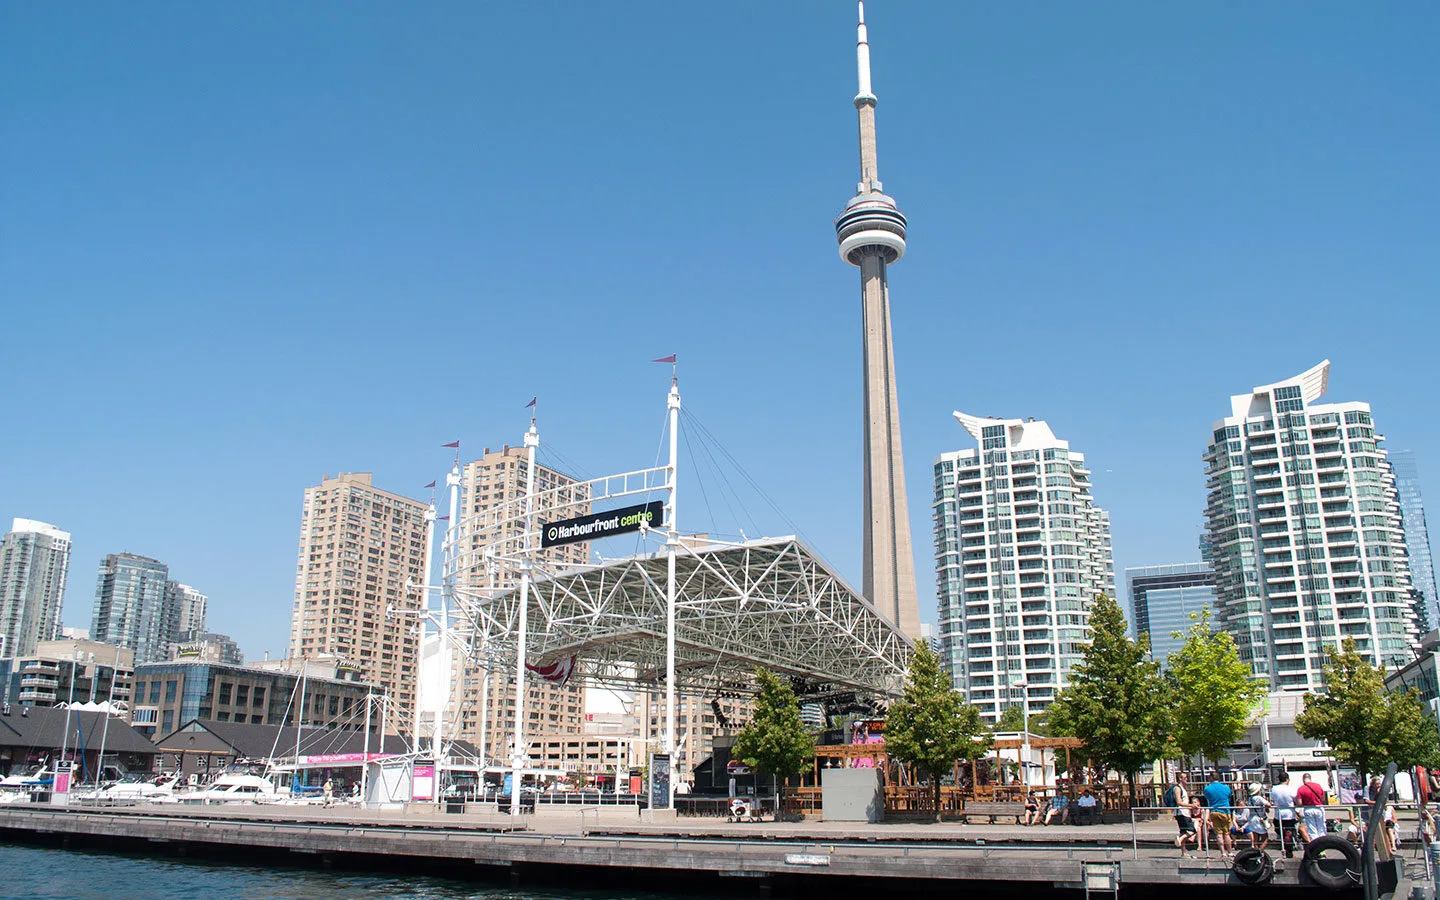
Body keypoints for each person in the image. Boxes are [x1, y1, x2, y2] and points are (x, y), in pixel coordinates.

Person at [1203, 776, 1235, 856]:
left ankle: (1223, 852)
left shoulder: (1207, 788)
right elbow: (1229, 796)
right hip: (1224, 811)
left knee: (1219, 834)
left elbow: (1207, 797)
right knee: (1226, 833)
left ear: (1210, 779)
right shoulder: (1226, 787)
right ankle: (1230, 852)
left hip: (1213, 811)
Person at [1271, 771, 1298, 857]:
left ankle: (1285, 849)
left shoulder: (1274, 788)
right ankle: (1289, 852)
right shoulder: (1291, 789)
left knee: (1281, 832)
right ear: (1287, 779)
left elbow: (1273, 800)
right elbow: (1296, 800)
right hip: (1289, 814)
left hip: (1278, 814)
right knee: (1289, 834)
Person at [1296, 773, 1328, 844]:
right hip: (1319, 808)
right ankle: (1323, 847)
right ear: (1310, 778)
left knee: (1312, 830)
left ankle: (1316, 847)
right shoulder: (1318, 786)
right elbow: (1323, 799)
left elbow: (1299, 803)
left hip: (1308, 809)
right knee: (1321, 828)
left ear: (1303, 780)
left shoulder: (1300, 789)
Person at [1242, 783, 1272, 850]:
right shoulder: (1259, 798)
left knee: (1256, 839)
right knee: (1265, 838)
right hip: (1259, 819)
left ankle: (1256, 852)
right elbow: (1268, 804)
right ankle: (1259, 852)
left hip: (1252, 818)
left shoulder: (1249, 799)